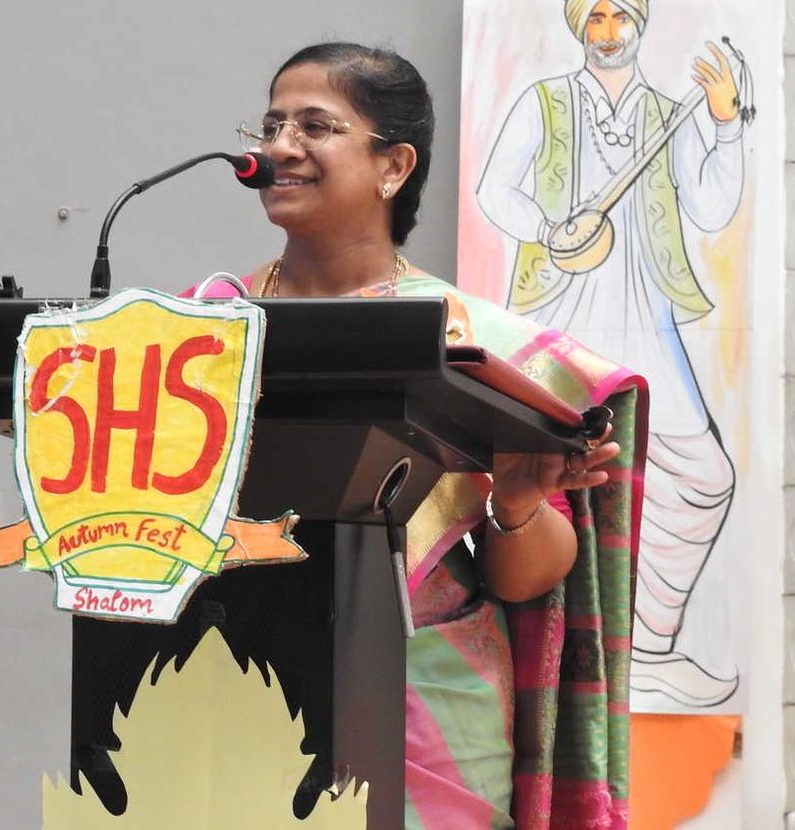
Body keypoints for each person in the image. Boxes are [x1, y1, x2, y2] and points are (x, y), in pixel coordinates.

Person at [209, 42, 647, 829]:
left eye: (315, 126)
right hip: (229, 675)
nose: (280, 147)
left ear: (394, 164)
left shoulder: (470, 341)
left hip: (425, 704)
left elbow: (526, 582)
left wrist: (517, 504)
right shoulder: (201, 328)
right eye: (271, 125)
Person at [475, 0, 751, 707]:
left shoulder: (668, 113)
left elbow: (711, 207)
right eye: (594, 17)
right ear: (578, 28)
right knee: (547, 476)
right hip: (561, 313)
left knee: (704, 477)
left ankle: (650, 647)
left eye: (619, 15)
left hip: (646, 314)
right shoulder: (544, 101)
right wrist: (548, 227)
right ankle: (555, 662)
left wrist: (726, 122)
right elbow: (495, 190)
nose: (607, 30)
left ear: (639, 23)